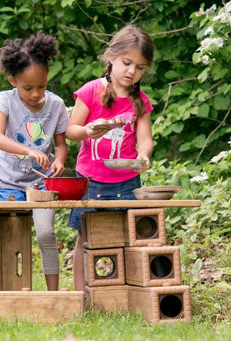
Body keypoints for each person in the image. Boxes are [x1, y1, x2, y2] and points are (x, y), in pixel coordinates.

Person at [66, 24, 155, 291]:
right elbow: (71, 131)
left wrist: (143, 154)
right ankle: (81, 296)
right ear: (111, 57)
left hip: (127, 182)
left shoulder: (141, 101)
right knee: (86, 237)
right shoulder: (91, 90)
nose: (132, 71)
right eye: (127, 63)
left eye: (140, 67)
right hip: (90, 181)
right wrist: (87, 131)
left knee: (129, 237)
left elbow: (145, 139)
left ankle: (125, 293)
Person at [0, 32, 68, 291]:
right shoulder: (6, 100)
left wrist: (59, 162)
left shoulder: (56, 105)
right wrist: (27, 150)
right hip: (8, 183)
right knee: (13, 239)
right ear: (13, 80)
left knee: (46, 234)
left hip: (41, 185)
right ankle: (12, 292)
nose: (36, 94)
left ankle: (53, 294)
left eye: (42, 86)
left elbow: (60, 145)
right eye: (28, 88)